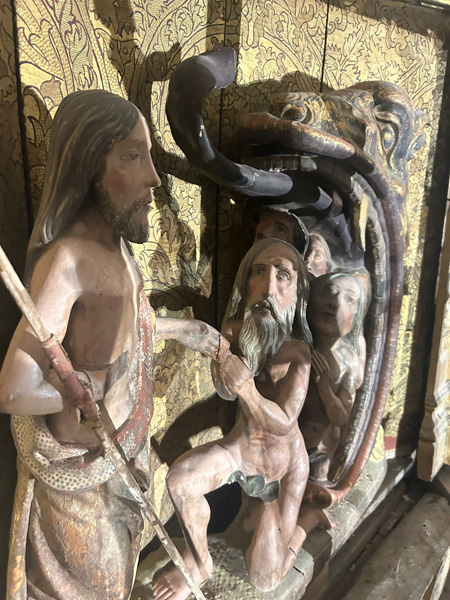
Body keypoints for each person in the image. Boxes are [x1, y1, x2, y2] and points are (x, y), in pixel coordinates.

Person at [0, 90, 228, 600]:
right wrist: (77, 389)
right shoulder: (69, 262)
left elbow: (128, 327)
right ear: (89, 166)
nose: (154, 177)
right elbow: (13, 389)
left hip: (126, 452)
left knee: (123, 575)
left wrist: (183, 330)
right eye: (132, 156)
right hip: (82, 482)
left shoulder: (119, 245)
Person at [153, 238, 319, 599]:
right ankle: (198, 562)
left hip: (282, 467)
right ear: (247, 283)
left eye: (283, 276)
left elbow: (284, 422)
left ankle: (306, 522)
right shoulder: (236, 331)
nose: (268, 287)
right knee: (180, 482)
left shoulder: (298, 354)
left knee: (265, 578)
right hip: (241, 450)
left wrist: (247, 389)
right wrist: (166, 328)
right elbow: (223, 385)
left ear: (298, 295)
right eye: (259, 272)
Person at [298, 272, 366, 482]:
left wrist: (324, 387)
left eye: (349, 299)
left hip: (321, 448)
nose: (335, 303)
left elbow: (340, 417)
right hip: (285, 443)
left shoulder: (348, 360)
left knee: (315, 489)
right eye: (329, 292)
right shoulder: (293, 347)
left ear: (356, 316)